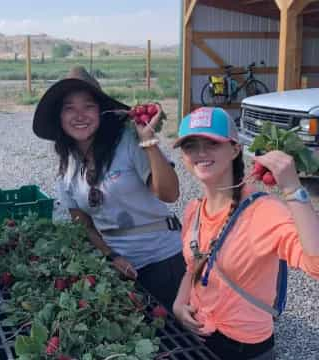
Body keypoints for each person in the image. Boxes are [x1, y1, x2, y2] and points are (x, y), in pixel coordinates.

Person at [32, 66, 185, 311]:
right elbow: (82, 224)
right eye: (69, 108)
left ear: (101, 111)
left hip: (164, 259)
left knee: (182, 339)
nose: (79, 115)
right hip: (121, 269)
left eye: (88, 106)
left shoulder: (128, 142)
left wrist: (149, 140)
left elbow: (170, 193)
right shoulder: (67, 166)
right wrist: (110, 256)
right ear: (59, 118)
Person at [172, 107, 319, 360]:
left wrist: (293, 189)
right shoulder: (193, 209)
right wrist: (178, 304)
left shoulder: (264, 211)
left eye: (211, 143)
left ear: (235, 148)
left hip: (245, 347)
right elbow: (192, 265)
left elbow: (315, 264)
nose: (200, 153)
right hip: (198, 331)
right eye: (190, 146)